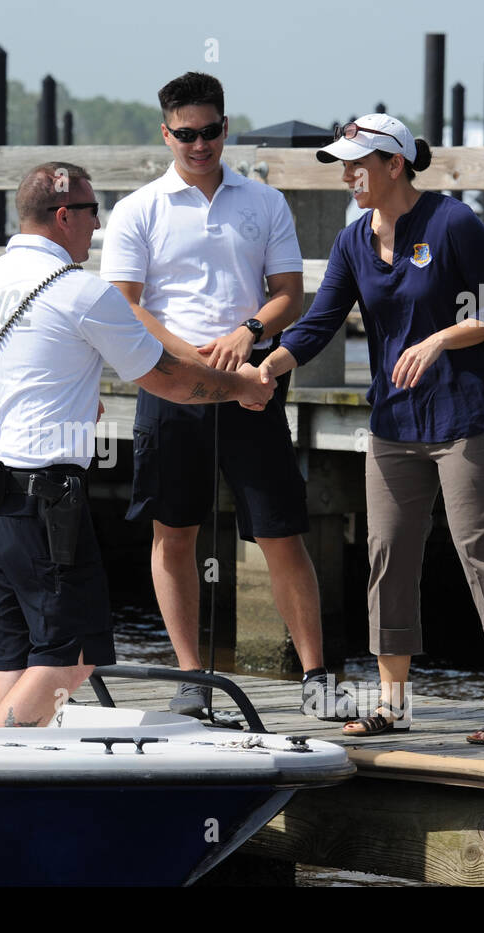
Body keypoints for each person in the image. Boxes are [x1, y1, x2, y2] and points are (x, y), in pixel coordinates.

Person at [0, 162, 277, 729]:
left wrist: (36, 403)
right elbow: (167, 381)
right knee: (74, 656)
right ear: (65, 216)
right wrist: (242, 388)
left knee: (18, 653)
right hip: (38, 498)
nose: (98, 228)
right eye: (93, 214)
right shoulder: (82, 292)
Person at [258, 113, 484, 744]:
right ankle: (393, 702)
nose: (348, 174)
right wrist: (270, 367)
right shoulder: (352, 241)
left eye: (359, 163)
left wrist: (441, 338)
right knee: (387, 552)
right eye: (342, 163)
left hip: (468, 414)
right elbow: (319, 321)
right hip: (393, 420)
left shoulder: (453, 223)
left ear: (395, 164)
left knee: (483, 548)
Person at [100, 71, 348, 720]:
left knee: (281, 531)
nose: (199, 144)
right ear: (166, 134)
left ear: (225, 128)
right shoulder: (137, 209)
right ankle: (192, 678)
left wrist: (249, 333)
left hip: (253, 384)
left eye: (210, 131)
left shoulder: (263, 203)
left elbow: (292, 294)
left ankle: (317, 673)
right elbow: (125, 307)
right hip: (170, 386)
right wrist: (188, 358)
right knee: (173, 532)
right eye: (186, 134)